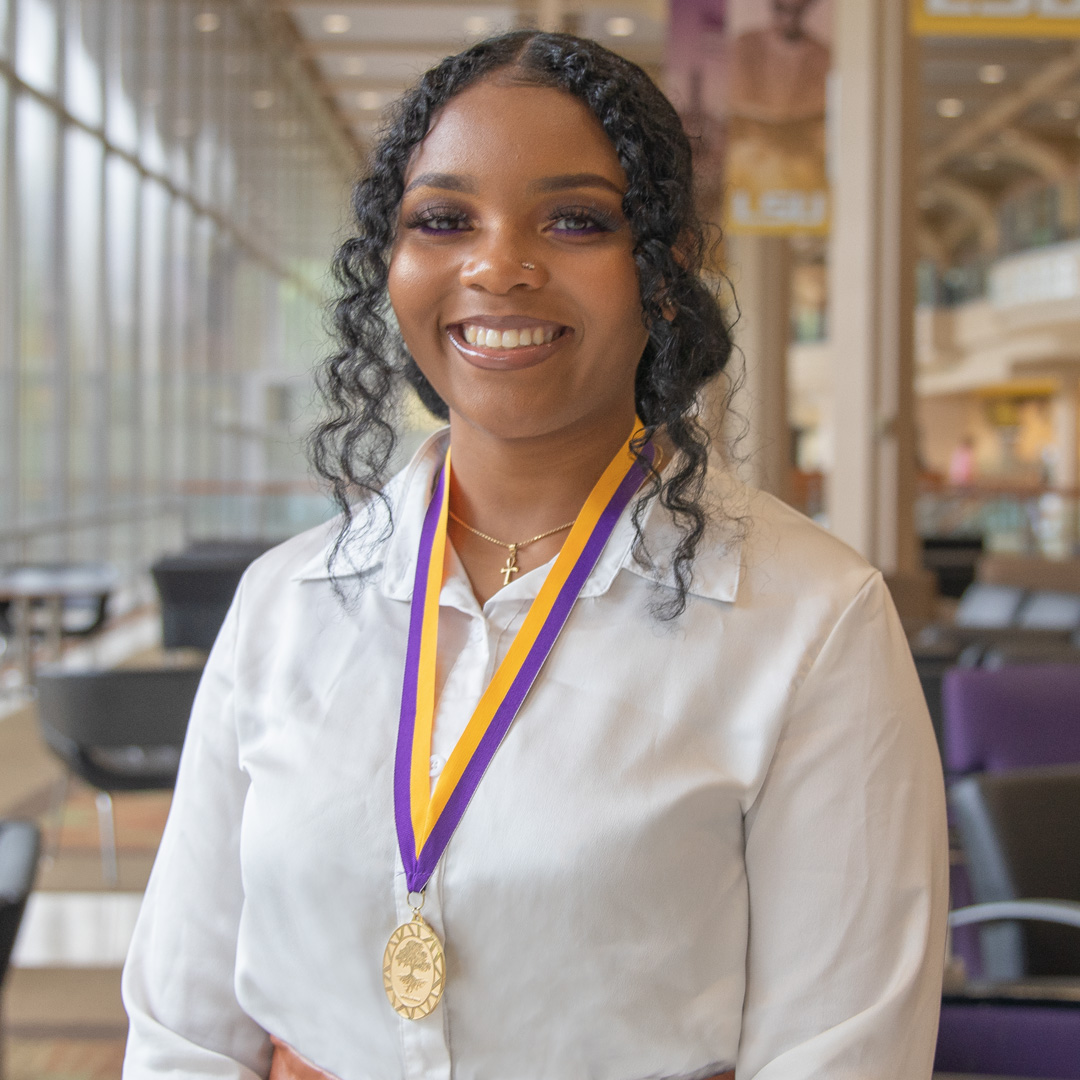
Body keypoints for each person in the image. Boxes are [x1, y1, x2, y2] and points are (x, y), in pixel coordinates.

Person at [122, 30, 948, 1080]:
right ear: (393, 261)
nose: (497, 264)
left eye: (573, 220)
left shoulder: (812, 621)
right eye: (443, 220)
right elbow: (184, 1033)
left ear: (663, 270)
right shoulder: (286, 603)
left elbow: (843, 1056)